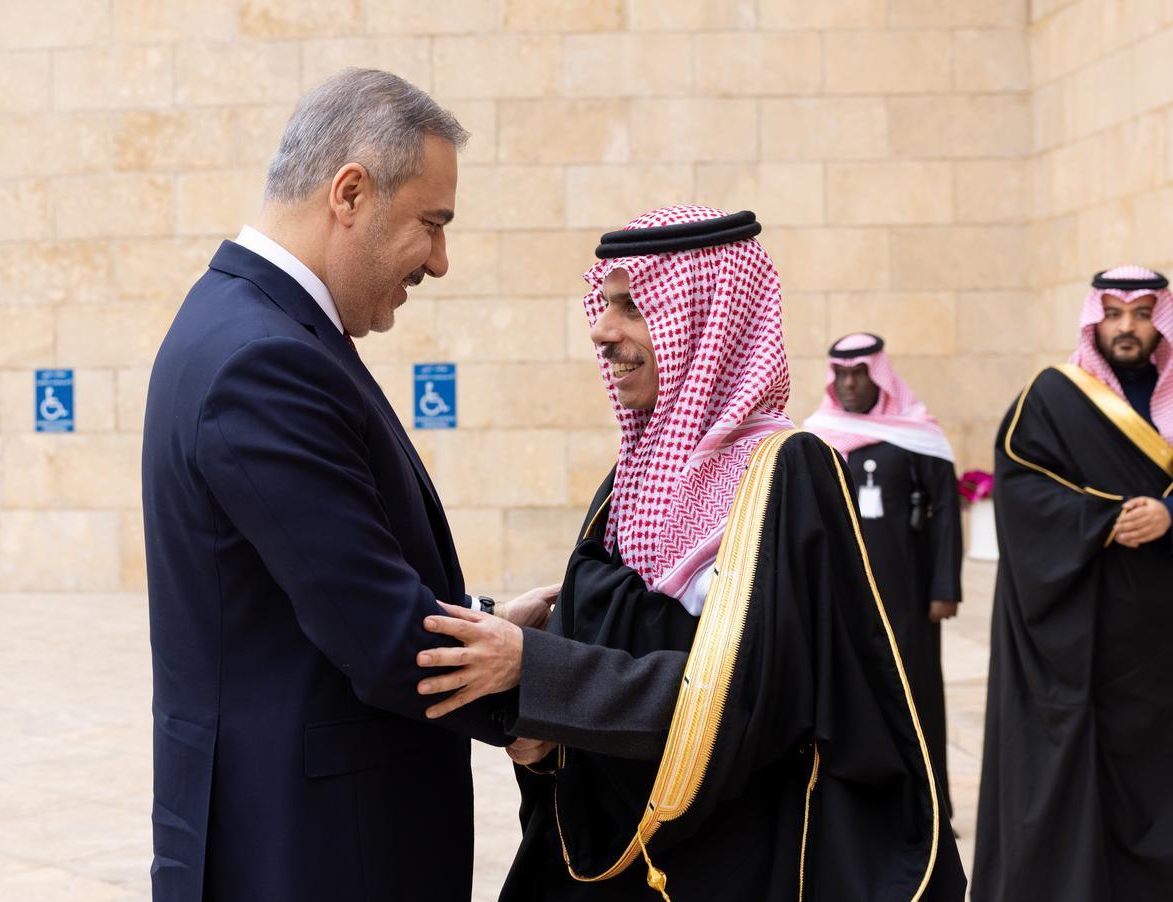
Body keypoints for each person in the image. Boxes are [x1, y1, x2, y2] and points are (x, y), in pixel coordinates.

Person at [417, 206, 966, 900]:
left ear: (712, 324)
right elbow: (624, 638)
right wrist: (550, 736)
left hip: (736, 859)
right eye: (604, 305)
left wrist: (542, 672)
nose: (601, 331)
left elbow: (757, 699)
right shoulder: (630, 478)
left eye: (632, 307)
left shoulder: (789, 474)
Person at [141, 69, 553, 902]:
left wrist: (480, 625)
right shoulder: (266, 359)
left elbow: (325, 583)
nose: (441, 260)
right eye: (431, 223)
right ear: (351, 193)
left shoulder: (246, 324)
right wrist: (541, 697)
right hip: (313, 853)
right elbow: (375, 631)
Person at [972, 266, 1173, 901]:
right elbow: (1021, 489)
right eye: (1113, 313)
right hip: (1086, 630)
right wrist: (1102, 520)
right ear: (1095, 321)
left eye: (1142, 313)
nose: (1127, 326)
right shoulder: (1054, 397)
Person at [803, 333, 962, 815]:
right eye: (842, 375)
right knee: (851, 693)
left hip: (907, 595)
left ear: (880, 376)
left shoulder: (917, 435)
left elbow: (947, 515)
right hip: (841, 594)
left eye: (861, 374)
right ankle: (865, 806)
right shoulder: (819, 435)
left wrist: (944, 589)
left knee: (916, 694)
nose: (851, 384)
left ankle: (929, 804)